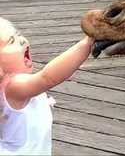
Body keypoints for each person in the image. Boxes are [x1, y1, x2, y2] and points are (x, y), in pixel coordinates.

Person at [0, 17, 94, 155]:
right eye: (12, 41)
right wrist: (87, 43)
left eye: (18, 34)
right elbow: (48, 78)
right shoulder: (13, 87)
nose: (22, 40)